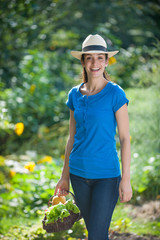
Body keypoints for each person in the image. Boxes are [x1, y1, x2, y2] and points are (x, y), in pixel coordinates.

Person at [55, 34, 132, 240]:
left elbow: (125, 138)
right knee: (95, 234)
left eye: (100, 57)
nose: (95, 63)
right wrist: (65, 177)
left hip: (106, 176)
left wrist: (126, 179)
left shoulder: (116, 94)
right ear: (83, 61)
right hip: (79, 174)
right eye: (89, 57)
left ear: (106, 61)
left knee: (97, 235)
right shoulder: (74, 94)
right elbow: (72, 138)